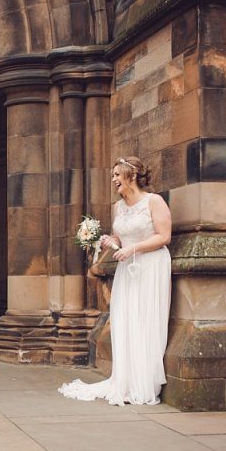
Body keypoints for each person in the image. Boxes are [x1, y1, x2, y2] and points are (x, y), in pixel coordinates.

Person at [59, 156, 172, 405]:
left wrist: (133, 249)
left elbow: (164, 237)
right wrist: (110, 242)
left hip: (150, 267)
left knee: (145, 320)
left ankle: (144, 383)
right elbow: (120, 238)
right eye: (113, 176)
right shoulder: (118, 207)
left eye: (116, 175)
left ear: (131, 175)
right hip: (127, 269)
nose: (113, 180)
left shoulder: (154, 201)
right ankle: (125, 380)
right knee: (125, 320)